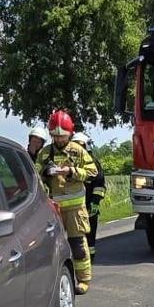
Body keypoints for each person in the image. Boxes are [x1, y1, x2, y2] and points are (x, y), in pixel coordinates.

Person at [36, 110, 98, 293]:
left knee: (78, 245)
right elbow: (35, 174)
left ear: (70, 134)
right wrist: (46, 172)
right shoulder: (45, 153)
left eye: (62, 136)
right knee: (53, 247)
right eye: (55, 136)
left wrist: (72, 172)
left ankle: (83, 280)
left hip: (75, 210)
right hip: (53, 210)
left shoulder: (78, 151)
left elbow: (93, 172)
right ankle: (56, 282)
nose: (59, 139)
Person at [73, 131, 104, 247]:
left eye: (80, 145)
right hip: (74, 207)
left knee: (90, 236)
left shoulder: (93, 162)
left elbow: (100, 185)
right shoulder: (69, 162)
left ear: (86, 146)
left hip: (90, 205)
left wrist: (95, 202)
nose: (78, 148)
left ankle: (90, 254)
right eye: (75, 145)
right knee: (76, 237)